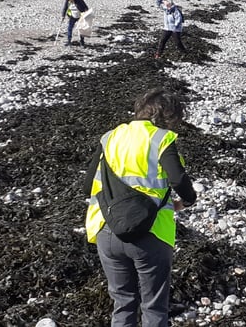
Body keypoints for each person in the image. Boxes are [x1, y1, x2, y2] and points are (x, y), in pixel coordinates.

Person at [84, 88, 197, 326]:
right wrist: (186, 201)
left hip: (106, 228)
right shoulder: (161, 138)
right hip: (151, 233)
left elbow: (87, 186)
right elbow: (178, 180)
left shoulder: (110, 137)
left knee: (123, 302)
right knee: (154, 306)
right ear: (166, 116)